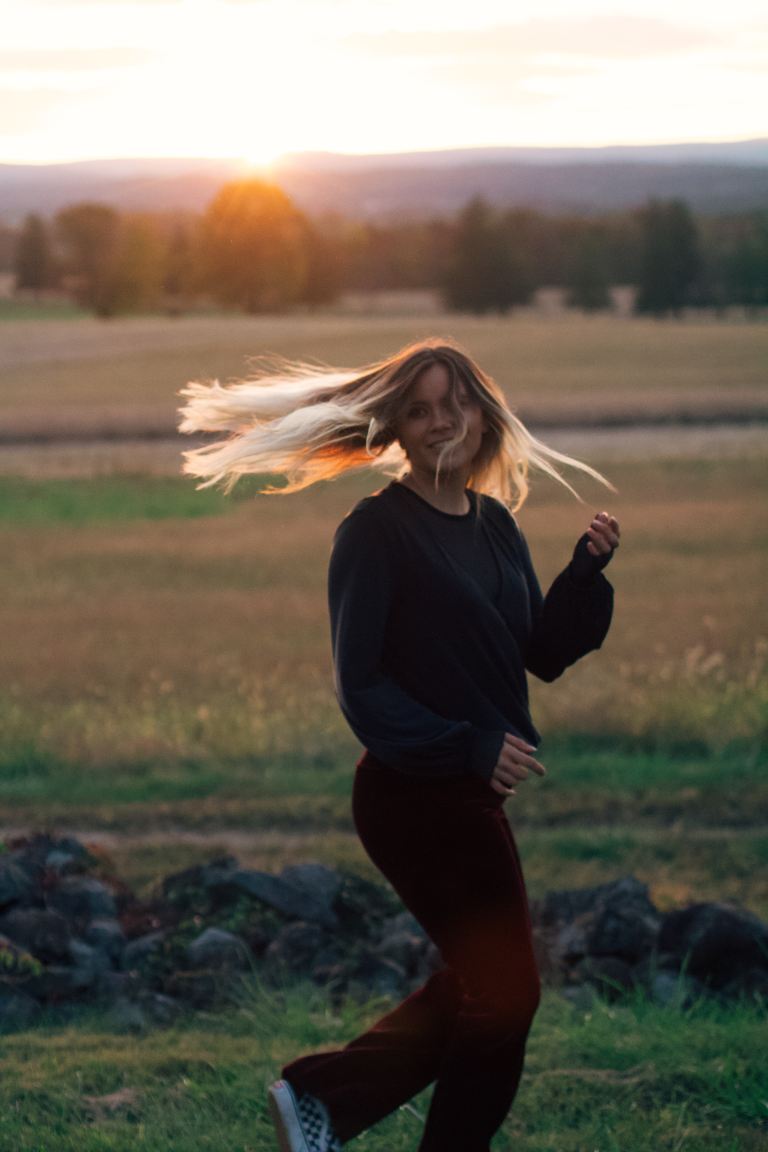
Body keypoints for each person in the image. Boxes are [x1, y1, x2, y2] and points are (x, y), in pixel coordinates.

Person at [178, 338, 621, 1152]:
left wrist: (585, 576)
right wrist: (467, 745)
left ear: (481, 413)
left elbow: (540, 653)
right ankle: (325, 1097)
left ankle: (317, 1098)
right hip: (410, 795)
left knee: (487, 987)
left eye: (453, 403)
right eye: (418, 410)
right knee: (507, 992)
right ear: (397, 432)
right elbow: (363, 686)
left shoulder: (494, 528)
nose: (440, 421)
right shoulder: (374, 533)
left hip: (467, 792)